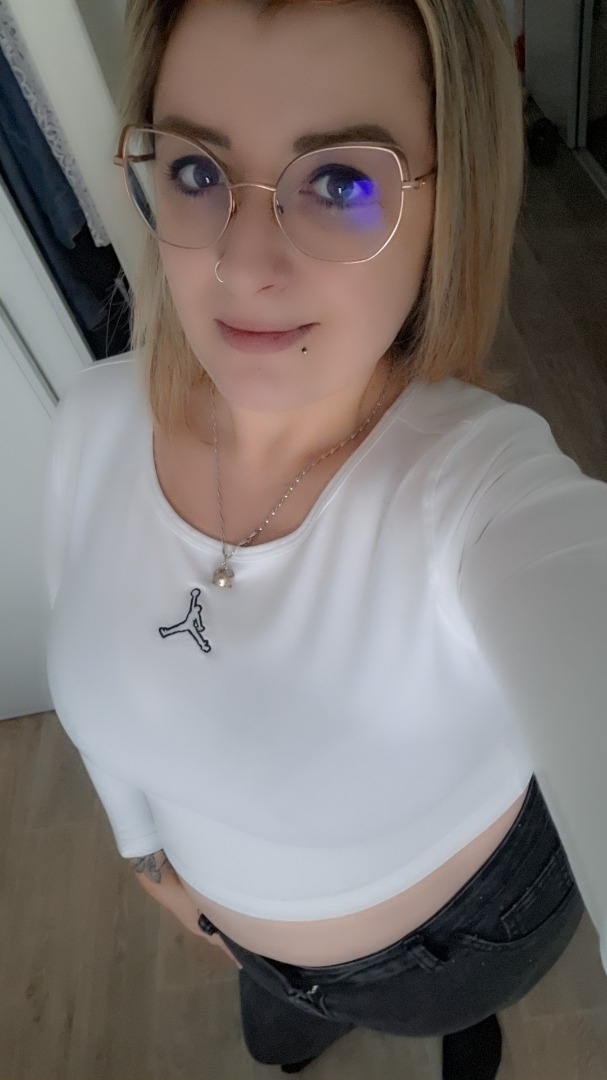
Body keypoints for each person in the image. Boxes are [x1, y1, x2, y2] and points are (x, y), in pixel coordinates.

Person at [43, 1, 607, 1076]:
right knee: (278, 1037)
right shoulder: (91, 424)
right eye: (197, 172)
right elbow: (96, 699)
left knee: (458, 1020)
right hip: (230, 930)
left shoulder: (478, 488)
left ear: (453, 199)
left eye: (341, 183)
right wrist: (143, 855)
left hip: (465, 935)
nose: (242, 264)